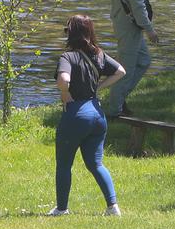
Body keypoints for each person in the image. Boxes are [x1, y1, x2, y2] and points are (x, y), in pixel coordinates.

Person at [50, 14, 126, 217]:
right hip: (97, 115)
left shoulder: (67, 57)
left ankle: (62, 208)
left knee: (64, 164)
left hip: (76, 115)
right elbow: (120, 71)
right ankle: (113, 207)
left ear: (71, 34)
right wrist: (99, 86)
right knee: (96, 163)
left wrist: (65, 93)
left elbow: (64, 80)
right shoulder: (99, 55)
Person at [107, 0, 156, 118]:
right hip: (130, 27)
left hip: (122, 22)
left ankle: (120, 98)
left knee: (144, 61)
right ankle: (114, 111)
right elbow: (138, 7)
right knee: (124, 71)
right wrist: (150, 30)